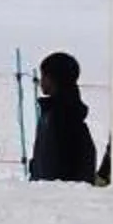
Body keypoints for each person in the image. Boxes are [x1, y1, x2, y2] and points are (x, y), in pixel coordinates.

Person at [28, 51, 97, 184]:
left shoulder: (62, 117)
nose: (41, 81)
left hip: (59, 198)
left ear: (54, 79)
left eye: (44, 76)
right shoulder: (54, 113)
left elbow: (57, 166)